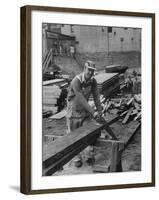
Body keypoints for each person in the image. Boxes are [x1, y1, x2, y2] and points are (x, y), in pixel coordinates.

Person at [66, 60, 103, 166]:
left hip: (85, 112)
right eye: (89, 70)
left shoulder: (93, 82)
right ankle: (76, 158)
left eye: (92, 71)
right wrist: (93, 112)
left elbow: (96, 96)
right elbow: (81, 99)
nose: (90, 73)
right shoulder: (76, 81)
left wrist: (100, 111)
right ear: (84, 69)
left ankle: (88, 155)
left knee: (88, 133)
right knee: (74, 136)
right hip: (73, 112)